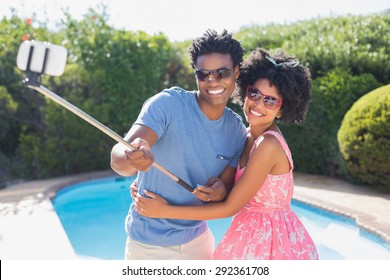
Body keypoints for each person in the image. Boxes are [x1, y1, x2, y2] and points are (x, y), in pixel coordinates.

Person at [135, 47, 319, 260]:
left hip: (271, 242)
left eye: (270, 100)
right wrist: (150, 181)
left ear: (282, 109)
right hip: (248, 232)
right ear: (245, 92)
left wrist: (164, 210)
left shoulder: (268, 145)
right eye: (255, 93)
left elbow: (230, 207)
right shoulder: (247, 134)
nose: (258, 104)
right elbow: (229, 184)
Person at [110, 29, 247, 260]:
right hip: (148, 247)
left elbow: (224, 189)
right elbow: (120, 157)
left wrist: (218, 191)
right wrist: (132, 156)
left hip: (199, 241)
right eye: (203, 74)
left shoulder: (237, 130)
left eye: (221, 72)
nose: (212, 81)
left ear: (235, 72)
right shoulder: (168, 104)